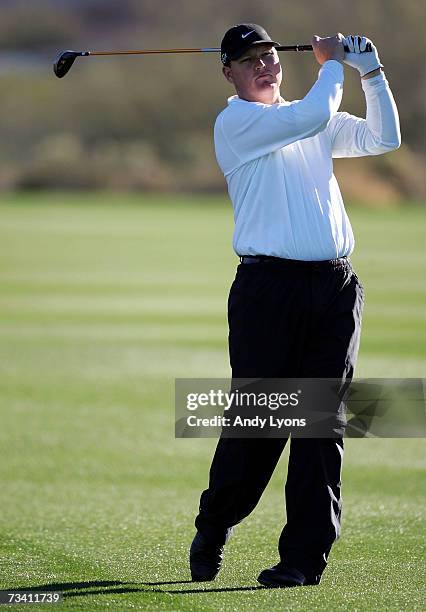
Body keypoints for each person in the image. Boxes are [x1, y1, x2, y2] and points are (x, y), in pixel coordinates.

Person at [190, 23, 400, 587]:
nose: (265, 66)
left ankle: (303, 561)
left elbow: (385, 139)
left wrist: (371, 73)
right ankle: (215, 523)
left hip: (335, 290)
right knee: (262, 426)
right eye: (250, 60)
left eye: (270, 57)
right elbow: (306, 117)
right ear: (229, 71)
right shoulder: (237, 122)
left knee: (321, 425)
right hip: (268, 292)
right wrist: (333, 64)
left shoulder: (312, 115)